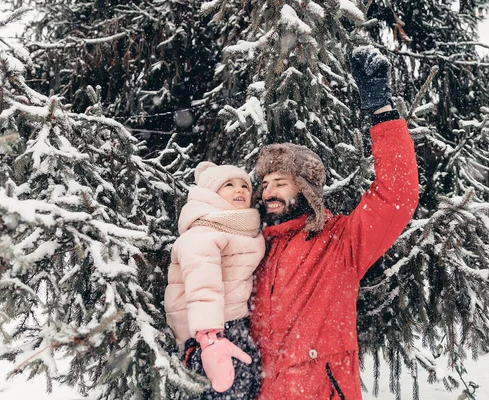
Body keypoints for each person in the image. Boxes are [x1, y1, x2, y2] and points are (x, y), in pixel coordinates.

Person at [249, 46, 419, 400]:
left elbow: (396, 195)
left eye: (280, 182)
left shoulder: (340, 242)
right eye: (264, 185)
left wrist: (382, 112)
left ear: (306, 189)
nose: (268, 193)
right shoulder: (250, 250)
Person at [164, 161, 265, 399]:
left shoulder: (239, 229)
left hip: (235, 327)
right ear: (211, 194)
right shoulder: (204, 232)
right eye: (228, 185)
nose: (240, 190)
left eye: (244, 186)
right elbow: (203, 287)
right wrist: (210, 339)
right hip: (212, 333)